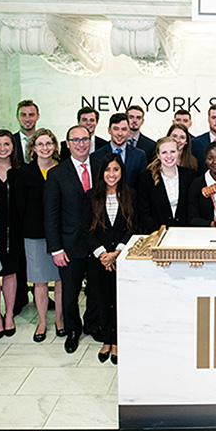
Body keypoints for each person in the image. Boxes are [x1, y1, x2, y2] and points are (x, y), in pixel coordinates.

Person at [45, 126, 102, 354]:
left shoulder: (100, 168)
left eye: (85, 139)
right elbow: (50, 215)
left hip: (98, 243)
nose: (81, 144)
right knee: (70, 292)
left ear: (90, 141)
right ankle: (72, 330)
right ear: (67, 144)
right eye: (75, 140)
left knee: (97, 289)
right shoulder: (57, 174)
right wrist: (56, 249)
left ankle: (92, 324)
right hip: (70, 245)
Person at [12, 128, 65, 342]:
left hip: (61, 235)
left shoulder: (63, 170)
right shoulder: (24, 173)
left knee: (61, 280)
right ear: (33, 148)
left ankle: (59, 320)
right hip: (34, 235)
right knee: (39, 281)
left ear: (55, 146)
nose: (45, 148)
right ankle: (42, 321)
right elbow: (19, 207)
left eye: (49, 143)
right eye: (40, 144)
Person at [85, 154, 137, 365]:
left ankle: (117, 342)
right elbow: (86, 230)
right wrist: (103, 254)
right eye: (107, 170)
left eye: (116, 169)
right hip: (99, 260)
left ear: (121, 172)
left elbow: (133, 227)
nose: (111, 174)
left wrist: (117, 253)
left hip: (122, 259)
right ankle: (106, 340)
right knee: (103, 300)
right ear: (101, 173)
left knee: (120, 301)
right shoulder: (90, 197)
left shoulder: (130, 195)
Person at [0, 130, 23, 340]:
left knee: (10, 272)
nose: (2, 148)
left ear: (12, 147)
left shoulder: (20, 170)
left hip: (14, 230)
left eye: (6, 144)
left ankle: (9, 316)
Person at [138, 136, 196, 232]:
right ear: (158, 155)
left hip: (185, 233)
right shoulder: (147, 178)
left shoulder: (189, 175)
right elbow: (144, 212)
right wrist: (159, 231)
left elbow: (192, 208)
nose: (169, 156)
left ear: (178, 152)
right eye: (164, 152)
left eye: (172, 152)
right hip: (156, 234)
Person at [91, 113, 146, 187]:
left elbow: (142, 185)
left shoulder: (139, 156)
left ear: (128, 131)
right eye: (116, 129)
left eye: (124, 129)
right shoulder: (96, 156)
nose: (120, 133)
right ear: (109, 130)